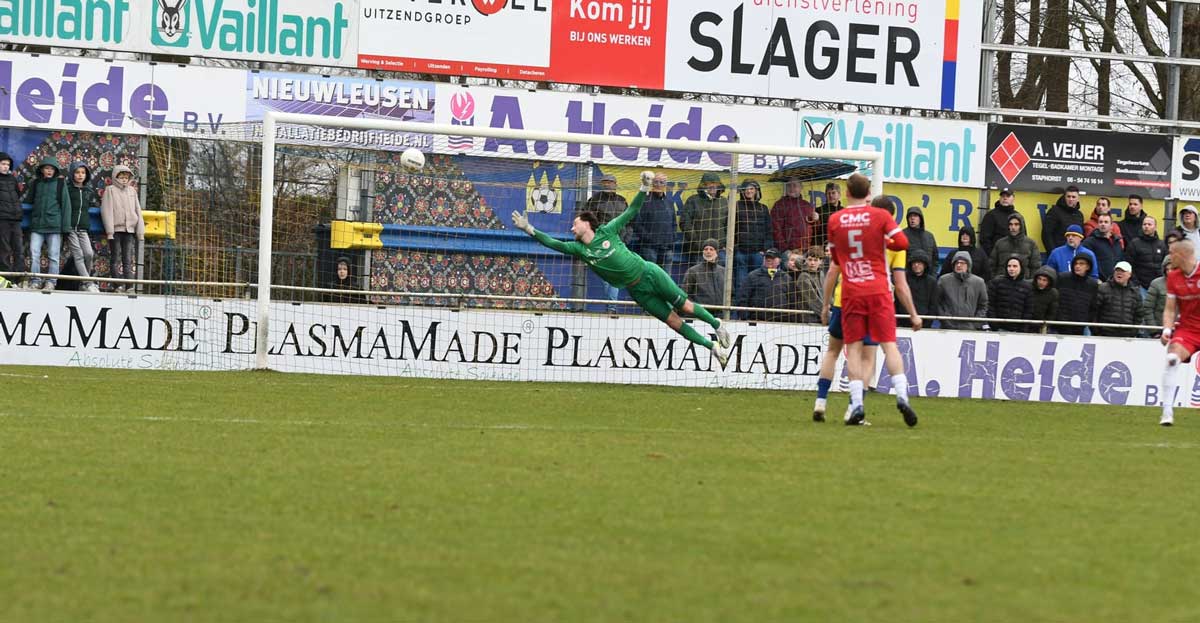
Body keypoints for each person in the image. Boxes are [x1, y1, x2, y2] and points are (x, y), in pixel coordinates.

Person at [513, 171, 733, 365]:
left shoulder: (607, 230)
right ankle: (711, 347)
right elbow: (553, 244)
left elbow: (633, 210)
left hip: (649, 273)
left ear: (587, 223)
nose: (572, 227)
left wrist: (644, 187)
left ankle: (716, 324)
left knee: (685, 306)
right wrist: (529, 229)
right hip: (637, 291)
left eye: (575, 223)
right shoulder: (579, 249)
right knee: (674, 322)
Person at [821, 175, 917, 427]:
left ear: (846, 191)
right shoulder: (880, 218)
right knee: (889, 345)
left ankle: (857, 404)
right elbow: (903, 243)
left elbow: (835, 258)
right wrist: (883, 240)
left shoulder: (835, 219)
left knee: (851, 348)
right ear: (868, 192)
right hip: (879, 290)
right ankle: (903, 396)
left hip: (851, 290)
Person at [1159, 239, 1200, 426]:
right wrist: (1167, 329)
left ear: (1182, 255)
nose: (1169, 257)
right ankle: (1167, 413)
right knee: (1171, 359)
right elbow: (1169, 309)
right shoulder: (1173, 277)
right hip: (1188, 329)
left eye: (1172, 253)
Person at [22, 156, 71, 291]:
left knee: (54, 256)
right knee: (34, 253)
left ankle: (51, 282)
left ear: (55, 171)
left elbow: (66, 206)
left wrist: (66, 228)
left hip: (54, 226)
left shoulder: (61, 184)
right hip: (37, 225)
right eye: (46, 168)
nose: (49, 171)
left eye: (51, 169)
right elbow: (28, 201)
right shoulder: (36, 183)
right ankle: (35, 281)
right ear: (42, 170)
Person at [584, 173, 629, 313]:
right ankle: (612, 307)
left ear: (615, 184)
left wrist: (626, 238)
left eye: (610, 182)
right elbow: (587, 221)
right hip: (602, 244)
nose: (607, 184)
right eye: (605, 182)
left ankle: (612, 307)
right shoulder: (594, 201)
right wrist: (595, 240)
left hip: (620, 243)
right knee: (607, 275)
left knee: (616, 274)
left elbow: (630, 222)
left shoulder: (622, 201)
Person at [101, 164, 145, 293]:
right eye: (121, 177)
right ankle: (117, 285)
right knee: (115, 258)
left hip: (129, 231)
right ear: (115, 177)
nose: (124, 180)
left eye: (126, 177)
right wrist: (110, 231)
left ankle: (129, 286)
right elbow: (106, 211)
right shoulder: (110, 190)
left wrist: (140, 231)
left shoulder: (132, 191)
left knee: (128, 259)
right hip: (115, 230)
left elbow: (138, 210)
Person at [629, 172, 676, 275]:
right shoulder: (644, 201)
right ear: (652, 184)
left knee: (666, 281)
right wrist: (649, 239)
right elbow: (636, 223)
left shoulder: (669, 203)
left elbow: (673, 224)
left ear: (665, 185)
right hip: (649, 249)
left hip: (667, 249)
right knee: (650, 278)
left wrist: (672, 240)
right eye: (656, 182)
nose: (658, 184)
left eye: (662, 182)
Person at [65, 161, 100, 292]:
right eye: (77, 172)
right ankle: (88, 283)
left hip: (83, 228)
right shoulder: (67, 189)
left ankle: (83, 282)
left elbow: (90, 206)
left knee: (89, 254)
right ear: (72, 174)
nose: (80, 175)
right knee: (78, 255)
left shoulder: (88, 191)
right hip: (71, 228)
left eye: (83, 173)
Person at [732, 180, 772, 292]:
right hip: (741, 252)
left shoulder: (763, 208)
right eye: (746, 189)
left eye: (751, 189)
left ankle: (755, 308)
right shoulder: (736, 206)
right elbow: (730, 227)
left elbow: (768, 230)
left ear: (756, 191)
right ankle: (740, 309)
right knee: (741, 283)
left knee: (757, 283)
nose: (748, 191)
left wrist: (764, 249)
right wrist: (735, 247)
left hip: (758, 252)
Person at [679, 172, 726, 266]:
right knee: (698, 279)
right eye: (709, 184)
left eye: (715, 184)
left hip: (719, 251)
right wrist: (697, 243)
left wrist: (723, 243)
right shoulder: (693, 200)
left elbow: (728, 225)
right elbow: (685, 223)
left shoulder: (724, 202)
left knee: (719, 278)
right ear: (703, 185)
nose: (712, 186)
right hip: (698, 251)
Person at [936, 251, 988, 330]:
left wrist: (975, 324)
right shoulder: (944, 280)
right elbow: (937, 302)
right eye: (956, 263)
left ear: (968, 265)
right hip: (948, 328)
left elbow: (983, 305)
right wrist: (945, 321)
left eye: (962, 263)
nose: (959, 265)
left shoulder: (979, 282)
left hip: (970, 329)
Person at [735, 248, 792, 321]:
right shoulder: (753, 276)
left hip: (782, 322)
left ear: (779, 260)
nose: (769, 260)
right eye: (767, 258)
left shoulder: (786, 278)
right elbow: (743, 298)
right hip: (757, 321)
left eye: (772, 258)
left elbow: (792, 300)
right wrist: (745, 318)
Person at [1092, 261, 1143, 337]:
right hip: (1104, 336)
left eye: (1123, 271)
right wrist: (1097, 332)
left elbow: (1139, 315)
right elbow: (1093, 311)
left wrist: (1133, 332)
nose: (1119, 273)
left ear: (1129, 274)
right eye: (1117, 270)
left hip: (1127, 337)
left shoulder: (1135, 293)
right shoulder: (1103, 288)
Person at [1055, 254, 1099, 336]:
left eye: (1081, 264)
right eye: (1076, 263)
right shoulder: (1063, 278)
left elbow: (1093, 307)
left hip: (1080, 328)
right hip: (1059, 326)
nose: (1077, 266)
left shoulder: (1092, 284)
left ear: (1088, 267)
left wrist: (1085, 320)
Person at [987, 255, 1033, 331]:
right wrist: (994, 325)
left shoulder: (1027, 287)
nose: (1011, 269)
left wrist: (1022, 329)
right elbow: (990, 305)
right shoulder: (996, 282)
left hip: (1017, 331)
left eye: (1015, 266)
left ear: (1021, 268)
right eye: (1009, 266)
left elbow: (1028, 310)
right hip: (998, 328)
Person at [989, 213, 1041, 279]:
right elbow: (991, 265)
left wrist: (1030, 283)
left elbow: (1035, 267)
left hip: (1023, 284)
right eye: (1010, 224)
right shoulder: (1000, 243)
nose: (1013, 227)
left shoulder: (1031, 244)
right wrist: (995, 280)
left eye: (1016, 224)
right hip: (1002, 284)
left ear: (1021, 226)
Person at [771, 177, 815, 254]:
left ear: (801, 187)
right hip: (789, 251)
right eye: (789, 185)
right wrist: (785, 249)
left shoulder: (807, 205)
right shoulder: (780, 205)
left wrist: (816, 219)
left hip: (806, 250)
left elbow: (814, 228)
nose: (791, 188)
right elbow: (775, 229)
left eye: (794, 185)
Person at [1125, 215, 1168, 293]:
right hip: (1140, 287)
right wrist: (1136, 283)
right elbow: (1129, 265)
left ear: (1155, 227)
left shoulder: (1162, 245)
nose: (1146, 226)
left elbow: (1166, 266)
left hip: (1158, 287)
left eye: (1149, 224)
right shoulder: (1134, 243)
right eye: (1144, 224)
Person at [899, 249, 938, 328]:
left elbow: (933, 305)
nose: (916, 265)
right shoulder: (903, 279)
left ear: (925, 265)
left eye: (919, 263)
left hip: (925, 326)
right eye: (914, 262)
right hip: (903, 324)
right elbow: (898, 302)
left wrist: (926, 324)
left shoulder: (932, 282)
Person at [682, 238, 725, 308]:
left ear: (716, 252)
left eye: (711, 249)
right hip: (699, 314)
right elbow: (685, 293)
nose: (708, 252)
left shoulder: (723, 271)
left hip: (720, 314)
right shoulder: (693, 271)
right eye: (706, 249)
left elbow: (731, 294)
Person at [1081, 213, 1124, 281]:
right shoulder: (1090, 242)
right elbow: (1084, 262)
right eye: (1100, 222)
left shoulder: (1117, 242)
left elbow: (1121, 261)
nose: (1103, 224)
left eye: (1106, 222)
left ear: (1111, 226)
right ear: (1098, 225)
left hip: (1115, 282)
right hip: (1097, 282)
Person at [0, 152, 22, 286]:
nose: (5, 166)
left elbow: (17, 194)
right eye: (3, 163)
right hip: (2, 219)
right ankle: (6, 279)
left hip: (16, 219)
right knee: (4, 250)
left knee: (18, 249)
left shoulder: (12, 179)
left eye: (7, 164)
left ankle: (19, 279)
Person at [788, 247, 825, 324]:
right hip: (809, 320)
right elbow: (813, 301)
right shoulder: (804, 276)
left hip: (821, 317)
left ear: (821, 261)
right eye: (810, 259)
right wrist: (829, 316)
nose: (812, 263)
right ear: (806, 260)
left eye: (815, 260)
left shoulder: (821, 274)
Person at [1042, 185, 1084, 252]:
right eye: (1068, 196)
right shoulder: (1054, 211)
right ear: (1064, 197)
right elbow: (1046, 234)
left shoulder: (1079, 215)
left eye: (1073, 197)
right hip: (1059, 253)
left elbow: (1081, 236)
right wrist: (1054, 253)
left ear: (1078, 199)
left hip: (1075, 254)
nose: (1071, 199)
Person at [979, 187, 1017, 257]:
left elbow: (1023, 238)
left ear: (1013, 198)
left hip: (1014, 259)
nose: (1005, 198)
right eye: (1003, 196)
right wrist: (993, 256)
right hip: (996, 259)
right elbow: (984, 239)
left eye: (1008, 196)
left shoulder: (1017, 216)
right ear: (1000, 198)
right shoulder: (991, 215)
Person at [900, 205, 939, 271]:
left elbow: (935, 259)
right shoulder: (903, 235)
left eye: (915, 216)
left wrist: (933, 275)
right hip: (909, 277)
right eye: (910, 216)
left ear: (920, 218)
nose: (912, 218)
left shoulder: (929, 236)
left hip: (927, 277)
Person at [1142, 255, 1172, 339]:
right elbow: (1147, 308)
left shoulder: (1185, 284)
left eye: (1173, 269)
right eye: (1167, 269)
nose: (1169, 272)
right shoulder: (1156, 284)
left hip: (1180, 332)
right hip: (1159, 331)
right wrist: (1154, 331)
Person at [810, 182, 842, 251]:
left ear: (839, 194)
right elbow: (815, 232)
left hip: (839, 247)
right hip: (822, 247)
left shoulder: (844, 211)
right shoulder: (818, 210)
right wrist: (816, 221)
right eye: (828, 193)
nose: (830, 195)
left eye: (833, 193)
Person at [1029, 265, 1060, 333]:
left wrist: (1045, 326)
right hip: (1025, 324)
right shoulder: (1028, 287)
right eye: (1039, 279)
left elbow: (1052, 313)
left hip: (1040, 327)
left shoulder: (1053, 293)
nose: (1041, 282)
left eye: (1044, 280)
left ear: (1050, 282)